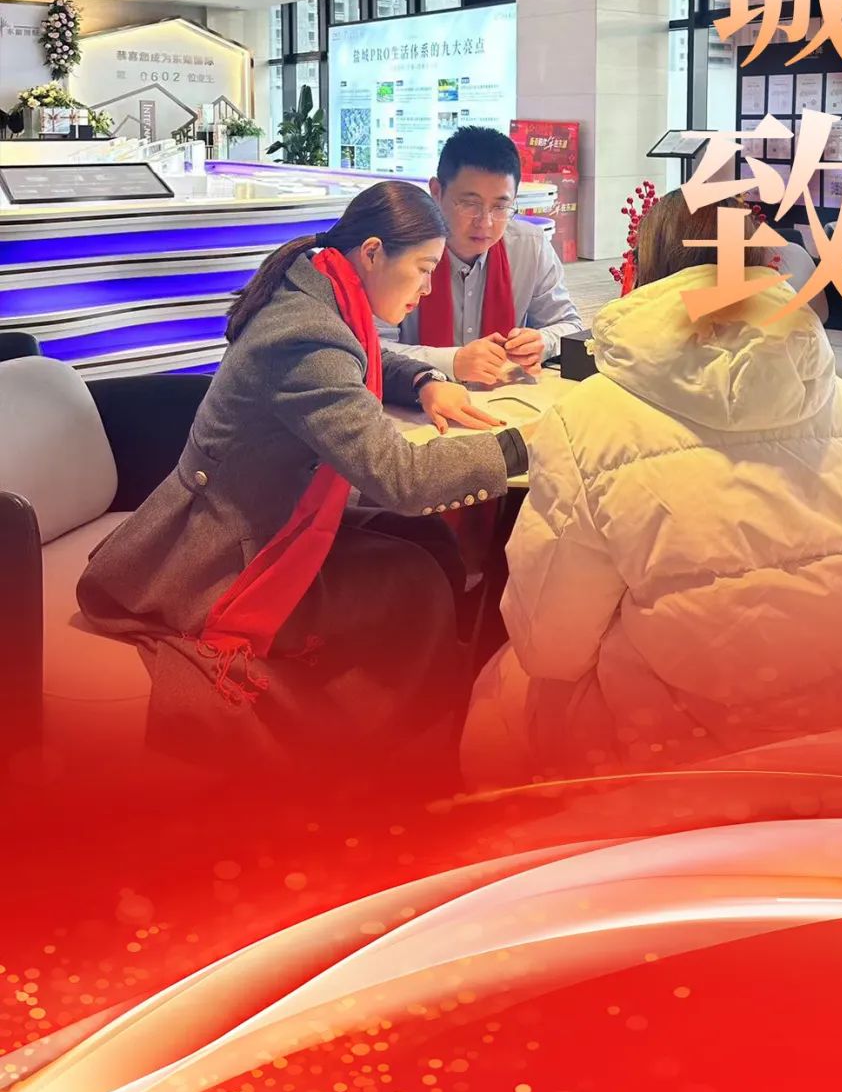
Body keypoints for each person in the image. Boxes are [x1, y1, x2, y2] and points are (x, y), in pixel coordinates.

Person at [77, 182, 529, 782]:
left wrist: (424, 381)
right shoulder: (304, 334)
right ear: (373, 253)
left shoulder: (314, 288)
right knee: (415, 580)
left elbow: (360, 357)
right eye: (422, 270)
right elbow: (401, 477)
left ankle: (419, 723)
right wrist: (520, 447)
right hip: (222, 550)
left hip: (262, 508)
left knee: (428, 543)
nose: (426, 289)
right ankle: (382, 760)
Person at [461, 190, 842, 787]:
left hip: (683, 758)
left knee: (505, 685)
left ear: (647, 265)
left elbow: (551, 647)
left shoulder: (590, 417)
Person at [384, 125, 586, 386]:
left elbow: (570, 325)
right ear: (436, 191)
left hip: (504, 397)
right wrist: (452, 362)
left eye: (500, 207)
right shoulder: (400, 248)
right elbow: (369, 346)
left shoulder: (530, 247)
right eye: (470, 203)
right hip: (413, 400)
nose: (485, 222)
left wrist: (542, 342)